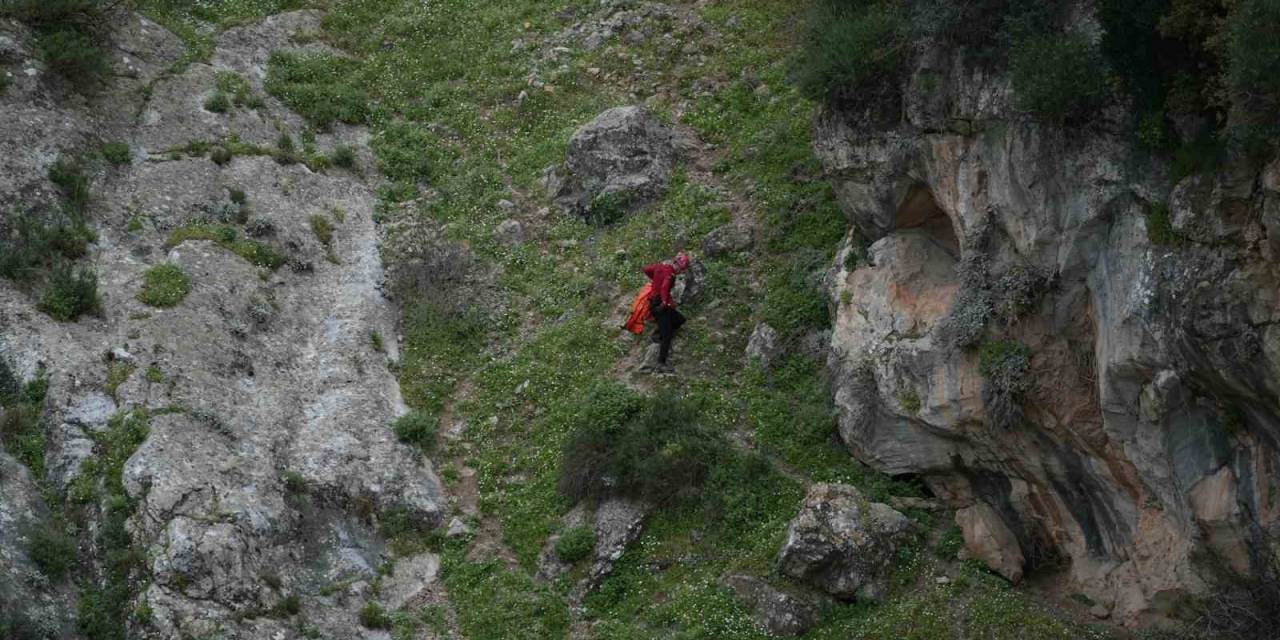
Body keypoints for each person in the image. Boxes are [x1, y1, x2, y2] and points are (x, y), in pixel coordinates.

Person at [638, 252, 690, 374]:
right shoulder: (670, 274)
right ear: (678, 266)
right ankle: (661, 363)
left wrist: (656, 279)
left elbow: (646, 269)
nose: (680, 272)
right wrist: (665, 303)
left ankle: (658, 333)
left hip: (655, 303)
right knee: (667, 336)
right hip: (660, 306)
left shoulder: (660, 267)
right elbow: (664, 288)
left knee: (680, 319)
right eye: (681, 269)